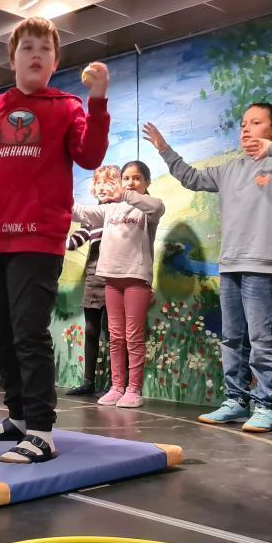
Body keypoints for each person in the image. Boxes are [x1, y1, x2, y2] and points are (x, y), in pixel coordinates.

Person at [0, 16, 110, 462]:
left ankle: (41, 430)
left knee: (28, 332)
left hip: (39, 239)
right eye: (27, 48)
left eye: (45, 49)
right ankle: (18, 417)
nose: (36, 54)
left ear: (55, 61)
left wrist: (98, 100)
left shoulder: (67, 107)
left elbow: (90, 155)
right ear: (13, 59)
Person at [144, 105, 272, 433]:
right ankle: (236, 400)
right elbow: (191, 178)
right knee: (232, 339)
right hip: (230, 267)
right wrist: (163, 149)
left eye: (255, 123)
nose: (245, 129)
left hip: (264, 268)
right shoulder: (230, 169)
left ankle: (265, 405)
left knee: (262, 339)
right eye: (243, 124)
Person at [71, 161, 165, 408]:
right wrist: (58, 194)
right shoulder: (110, 209)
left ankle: (134, 390)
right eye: (126, 178)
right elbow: (80, 212)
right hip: (111, 279)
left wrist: (125, 194)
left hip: (136, 279)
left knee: (133, 336)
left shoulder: (148, 209)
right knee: (116, 336)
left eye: (136, 178)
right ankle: (116, 387)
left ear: (147, 182)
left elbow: (157, 206)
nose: (130, 182)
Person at [66, 164, 119, 396]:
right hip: (94, 275)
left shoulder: (119, 213)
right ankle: (88, 381)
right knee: (91, 329)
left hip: (115, 275)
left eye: (108, 182)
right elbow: (75, 240)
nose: (102, 187)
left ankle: (117, 383)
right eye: (98, 183)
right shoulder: (91, 217)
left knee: (114, 331)